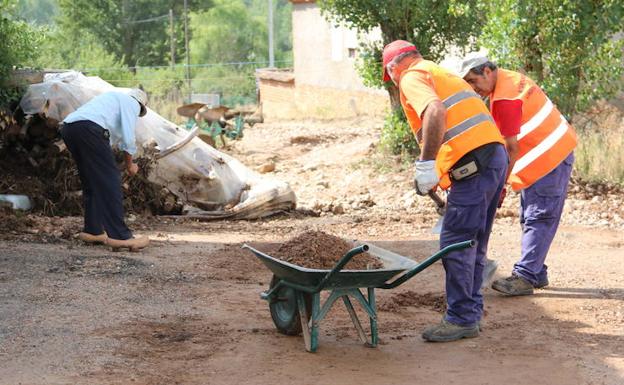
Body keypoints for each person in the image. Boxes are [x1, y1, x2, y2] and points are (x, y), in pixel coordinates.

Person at [382, 40, 508, 342]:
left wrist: (426, 166)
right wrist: (438, 176)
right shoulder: (438, 72)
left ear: (393, 67)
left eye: (392, 77)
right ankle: (470, 313)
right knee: (474, 242)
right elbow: (459, 130)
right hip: (492, 158)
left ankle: (461, 318)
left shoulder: (412, 76)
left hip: (475, 165)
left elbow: (435, 112)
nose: (396, 82)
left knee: (455, 241)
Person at [458, 53, 577, 296]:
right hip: (549, 151)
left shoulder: (503, 98)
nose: (472, 88)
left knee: (539, 217)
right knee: (530, 216)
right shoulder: (510, 79)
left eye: (473, 80)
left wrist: (499, 185)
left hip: (548, 157)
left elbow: (510, 148)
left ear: (487, 72)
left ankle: (525, 276)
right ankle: (537, 270)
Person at [60, 89, 150, 252]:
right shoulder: (131, 103)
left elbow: (109, 139)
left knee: (92, 180)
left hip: (70, 128)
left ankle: (93, 230)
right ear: (140, 105)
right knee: (111, 181)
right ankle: (120, 236)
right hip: (89, 130)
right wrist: (130, 165)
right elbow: (128, 138)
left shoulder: (111, 99)